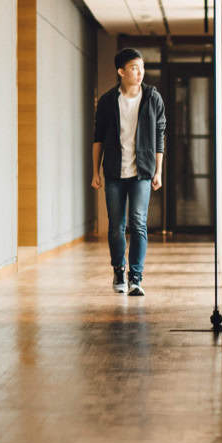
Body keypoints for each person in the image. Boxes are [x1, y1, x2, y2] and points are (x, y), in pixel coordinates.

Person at [91, 48, 166, 296]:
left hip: (142, 171)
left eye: (142, 67)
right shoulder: (108, 101)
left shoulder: (152, 98)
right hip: (113, 171)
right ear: (121, 71)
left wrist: (158, 171)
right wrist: (95, 172)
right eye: (134, 67)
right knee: (116, 226)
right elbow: (98, 139)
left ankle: (136, 277)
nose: (139, 72)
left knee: (139, 224)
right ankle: (118, 270)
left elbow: (159, 137)